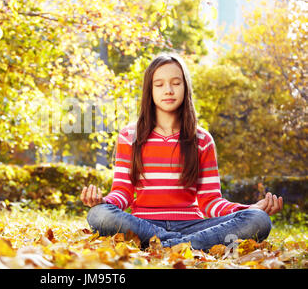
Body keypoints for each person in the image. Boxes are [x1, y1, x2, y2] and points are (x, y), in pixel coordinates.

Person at [80, 53, 283, 251]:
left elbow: (211, 202)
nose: (168, 90)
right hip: (142, 225)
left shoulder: (202, 140)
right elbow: (123, 193)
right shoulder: (129, 136)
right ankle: (184, 245)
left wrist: (248, 209)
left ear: (185, 87)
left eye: (176, 83)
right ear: (149, 90)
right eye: (159, 84)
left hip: (192, 225)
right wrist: (103, 202)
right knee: (98, 215)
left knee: (259, 220)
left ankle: (165, 245)